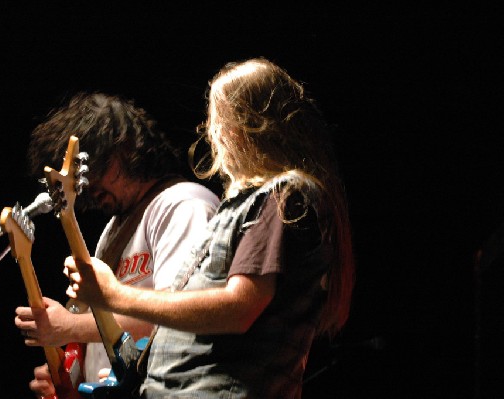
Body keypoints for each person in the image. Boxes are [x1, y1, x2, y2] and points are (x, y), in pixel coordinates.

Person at [65, 57, 356, 398]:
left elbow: (240, 308)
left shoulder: (286, 194)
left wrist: (115, 294)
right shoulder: (250, 204)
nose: (211, 133)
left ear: (245, 126)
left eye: (217, 120)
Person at [13, 92, 220, 397]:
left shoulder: (183, 204)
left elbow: (185, 319)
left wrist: (69, 326)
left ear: (126, 148)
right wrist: (71, 371)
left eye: (95, 166)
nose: (89, 186)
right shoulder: (113, 230)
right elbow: (110, 337)